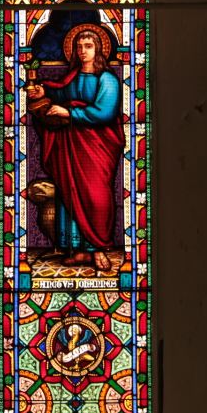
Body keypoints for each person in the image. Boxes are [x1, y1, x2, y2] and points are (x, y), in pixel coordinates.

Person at [27, 25, 123, 272]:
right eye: (79, 47)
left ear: (98, 49)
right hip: (71, 146)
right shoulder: (73, 76)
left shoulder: (107, 79)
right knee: (70, 193)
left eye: (88, 46)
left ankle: (99, 248)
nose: (82, 51)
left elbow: (105, 112)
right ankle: (79, 250)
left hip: (97, 147)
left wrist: (69, 112)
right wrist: (43, 90)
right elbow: (60, 91)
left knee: (96, 196)